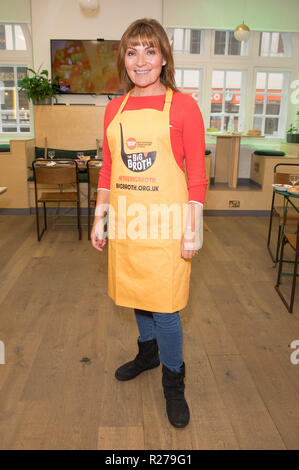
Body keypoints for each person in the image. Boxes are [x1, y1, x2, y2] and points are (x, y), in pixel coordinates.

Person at [91, 18, 208, 428]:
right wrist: (100, 217)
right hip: (129, 222)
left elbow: (196, 177)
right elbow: (108, 171)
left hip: (168, 226)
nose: (140, 61)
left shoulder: (184, 107)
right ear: (124, 59)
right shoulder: (114, 108)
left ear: (163, 58)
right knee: (138, 295)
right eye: (132, 51)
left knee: (166, 309)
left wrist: (191, 229)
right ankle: (147, 354)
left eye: (150, 51)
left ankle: (173, 385)